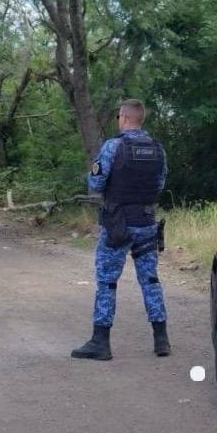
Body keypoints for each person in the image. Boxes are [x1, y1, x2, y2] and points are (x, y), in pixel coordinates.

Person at [71, 99, 170, 361]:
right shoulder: (158, 149)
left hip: (118, 224)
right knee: (150, 279)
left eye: (118, 117)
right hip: (147, 222)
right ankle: (161, 340)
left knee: (107, 281)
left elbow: (95, 182)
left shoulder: (113, 146)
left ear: (124, 118)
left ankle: (100, 342)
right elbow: (159, 184)